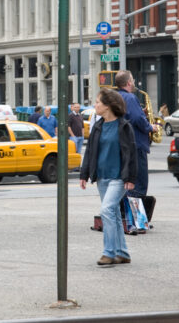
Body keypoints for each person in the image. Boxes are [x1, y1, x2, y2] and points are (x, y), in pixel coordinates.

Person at [79, 88, 137, 266]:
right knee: (114, 215)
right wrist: (84, 173)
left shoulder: (124, 126)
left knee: (106, 211)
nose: (95, 105)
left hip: (118, 178)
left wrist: (130, 178)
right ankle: (123, 253)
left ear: (108, 106)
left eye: (97, 102)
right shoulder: (98, 126)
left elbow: (131, 154)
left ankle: (109, 253)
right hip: (102, 177)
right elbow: (90, 152)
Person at [115, 70, 156, 199]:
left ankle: (125, 215)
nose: (133, 83)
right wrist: (151, 127)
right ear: (128, 82)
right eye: (132, 80)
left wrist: (140, 111)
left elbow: (129, 116)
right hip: (136, 145)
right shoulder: (131, 97)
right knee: (139, 185)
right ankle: (136, 216)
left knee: (125, 184)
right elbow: (137, 119)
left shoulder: (116, 96)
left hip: (122, 145)